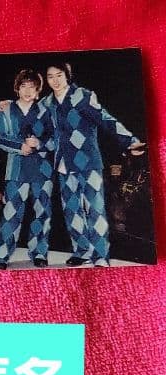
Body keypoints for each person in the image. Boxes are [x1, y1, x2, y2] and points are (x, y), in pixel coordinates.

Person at [38, 61, 146, 267]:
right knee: (71, 211)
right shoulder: (46, 103)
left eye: (59, 75)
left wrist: (129, 141)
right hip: (63, 164)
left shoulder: (82, 95)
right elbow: (42, 130)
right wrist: (8, 106)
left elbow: (105, 118)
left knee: (95, 210)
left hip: (88, 162)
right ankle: (82, 252)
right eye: (50, 76)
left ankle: (100, 256)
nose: (55, 80)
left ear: (67, 75)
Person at [0, 70, 56, 270]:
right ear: (17, 89)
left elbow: (55, 139)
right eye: (23, 86)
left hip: (42, 170)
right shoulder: (6, 109)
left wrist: (40, 143)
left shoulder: (45, 111)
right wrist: (19, 146)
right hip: (16, 169)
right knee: (11, 213)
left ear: (38, 90)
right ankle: (2, 255)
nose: (28, 90)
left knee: (42, 213)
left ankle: (39, 253)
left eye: (32, 87)